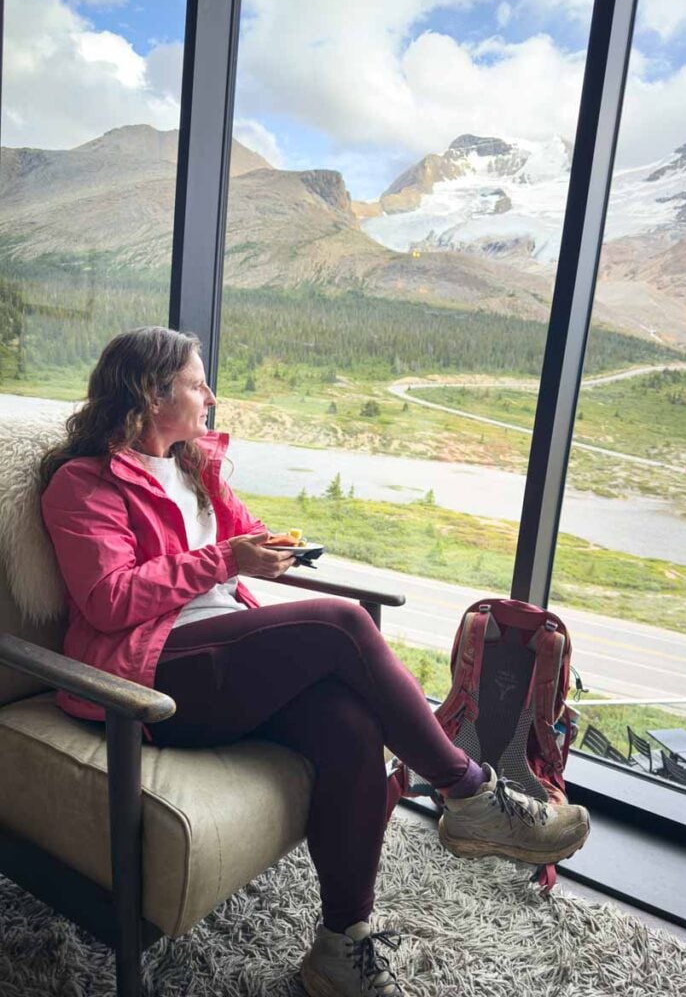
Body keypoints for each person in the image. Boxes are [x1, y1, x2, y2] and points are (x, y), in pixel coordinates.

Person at [40, 327, 589, 997]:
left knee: (349, 724)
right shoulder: (83, 483)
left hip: (219, 656)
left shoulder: (192, 468)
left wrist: (264, 546)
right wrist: (225, 559)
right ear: (152, 395)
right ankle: (469, 792)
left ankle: (341, 944)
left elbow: (238, 537)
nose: (210, 396)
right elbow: (108, 599)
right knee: (342, 622)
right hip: (145, 675)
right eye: (196, 383)